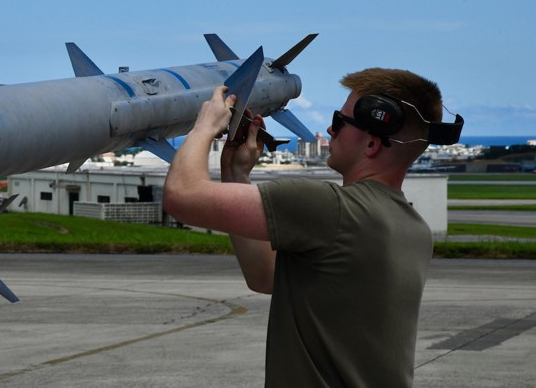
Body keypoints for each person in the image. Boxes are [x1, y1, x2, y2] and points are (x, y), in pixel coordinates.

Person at [163, 68, 450, 387]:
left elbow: (182, 196)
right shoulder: (414, 229)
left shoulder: (331, 207)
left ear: (371, 143)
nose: (330, 129)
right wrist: (236, 174)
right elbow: (268, 278)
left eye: (340, 122)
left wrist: (204, 125)